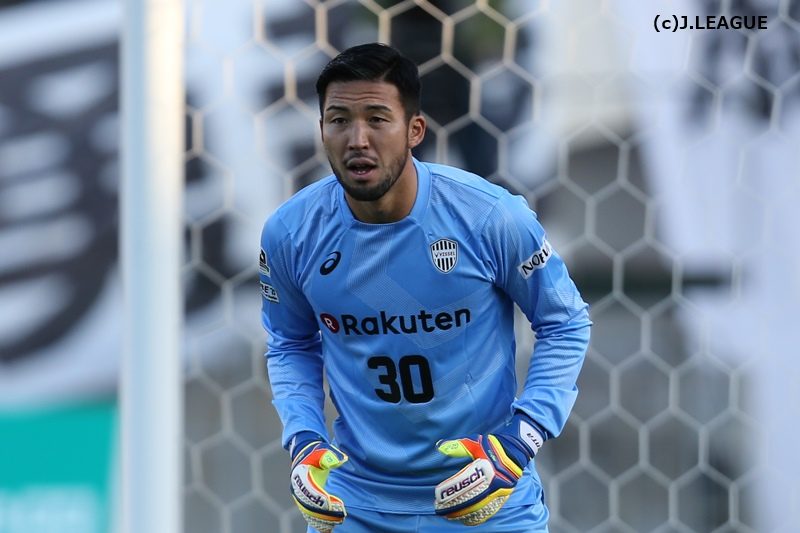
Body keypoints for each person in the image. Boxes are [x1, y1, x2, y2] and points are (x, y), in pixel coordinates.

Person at [259, 43, 591, 533]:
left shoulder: (489, 217)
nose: (357, 140)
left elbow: (565, 322)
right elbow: (289, 341)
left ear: (415, 130)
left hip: (487, 497)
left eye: (377, 119)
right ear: (322, 129)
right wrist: (303, 439)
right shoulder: (291, 233)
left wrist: (522, 438)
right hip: (356, 507)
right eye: (339, 120)